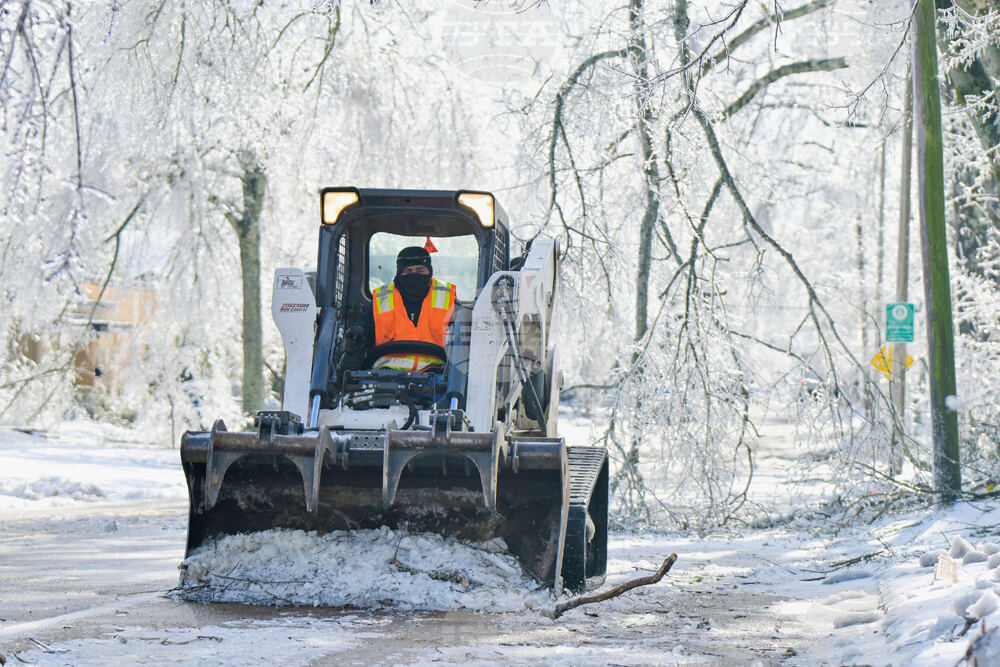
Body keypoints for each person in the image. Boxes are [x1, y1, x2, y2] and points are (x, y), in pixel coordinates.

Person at [347, 246, 456, 372]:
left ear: (430, 271)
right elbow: (366, 327)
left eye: (420, 270)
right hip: (384, 376)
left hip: (436, 375)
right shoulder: (382, 299)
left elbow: (460, 336)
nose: (414, 275)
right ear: (399, 273)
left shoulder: (447, 297)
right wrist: (357, 336)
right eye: (408, 271)